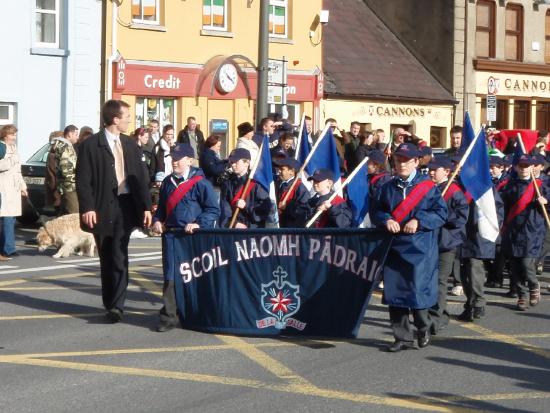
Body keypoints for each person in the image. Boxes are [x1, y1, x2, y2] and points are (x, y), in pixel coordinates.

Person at [76, 100, 152, 323]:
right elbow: (83, 180)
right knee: (106, 256)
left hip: (126, 206)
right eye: (127, 115)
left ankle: (117, 305)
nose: (130, 119)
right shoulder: (91, 145)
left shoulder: (129, 144)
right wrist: (87, 207)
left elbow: (140, 178)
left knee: (120, 254)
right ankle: (109, 301)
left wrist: (147, 206)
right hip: (101, 207)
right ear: (115, 119)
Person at [373, 143, 447, 352]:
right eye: (398, 160)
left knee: (417, 292)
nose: (402, 164)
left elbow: (441, 213)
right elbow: (377, 210)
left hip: (420, 249)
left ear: (416, 162)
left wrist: (419, 221)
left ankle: (423, 326)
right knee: (395, 293)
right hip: (395, 246)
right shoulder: (387, 187)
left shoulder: (428, 187)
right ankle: (402, 337)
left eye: (406, 160)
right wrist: (386, 219)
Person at [152, 143, 220, 332]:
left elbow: (213, 209)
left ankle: (196, 313)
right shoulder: (167, 182)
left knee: (193, 275)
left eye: (178, 159)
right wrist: (157, 221)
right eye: (172, 159)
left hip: (192, 237)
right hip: (172, 236)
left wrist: (199, 223)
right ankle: (169, 316)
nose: (174, 162)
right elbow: (161, 210)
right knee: (170, 275)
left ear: (189, 160)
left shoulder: (200, 183)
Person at [500, 154, 547, 310]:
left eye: (527, 166)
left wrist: (546, 202)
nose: (524, 168)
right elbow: (500, 205)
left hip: (531, 230)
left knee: (526, 264)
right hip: (513, 230)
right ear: (516, 168)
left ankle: (534, 286)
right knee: (514, 267)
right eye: (521, 166)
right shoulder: (509, 185)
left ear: (532, 167)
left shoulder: (540, 185)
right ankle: (522, 295)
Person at [427, 156, 468, 334]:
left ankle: (435, 318)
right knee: (427, 280)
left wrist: (441, 216)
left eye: (435, 169)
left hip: (446, 242)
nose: (431, 172)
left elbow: (461, 217)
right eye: (430, 169)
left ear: (446, 171)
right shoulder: (428, 189)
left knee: (439, 281)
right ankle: (437, 313)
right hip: (428, 241)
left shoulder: (454, 192)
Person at [219, 148, 271, 228]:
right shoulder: (227, 183)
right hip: (233, 227)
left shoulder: (256, 183)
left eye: (236, 162)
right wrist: (233, 223)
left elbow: (264, 208)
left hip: (252, 229)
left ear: (247, 163)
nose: (233, 165)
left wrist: (246, 206)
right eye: (232, 162)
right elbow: (224, 208)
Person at [0, 125, 27, 259]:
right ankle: (7, 249)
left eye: (15, 135)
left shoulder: (13, 148)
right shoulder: (1, 147)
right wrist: (10, 160)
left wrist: (23, 186)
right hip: (4, 187)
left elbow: (17, 171)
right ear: (5, 135)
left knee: (10, 218)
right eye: (12, 135)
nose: (14, 137)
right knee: (7, 219)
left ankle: (8, 248)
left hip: (14, 188)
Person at [274, 157, 309, 228]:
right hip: (279, 226)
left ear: (291, 172)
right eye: (279, 169)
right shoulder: (278, 184)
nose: (279, 171)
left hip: (292, 229)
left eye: (282, 169)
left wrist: (287, 207)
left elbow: (304, 211)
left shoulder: (299, 188)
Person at [54, 124, 80, 214]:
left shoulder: (66, 146)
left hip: (66, 186)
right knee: (73, 214)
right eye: (76, 134)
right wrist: (73, 181)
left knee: (64, 214)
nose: (78, 137)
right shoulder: (64, 147)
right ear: (69, 134)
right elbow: (66, 169)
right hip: (69, 187)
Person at [45, 131, 64, 214]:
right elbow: (56, 172)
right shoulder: (53, 154)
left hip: (56, 190)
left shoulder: (53, 153)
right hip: (57, 190)